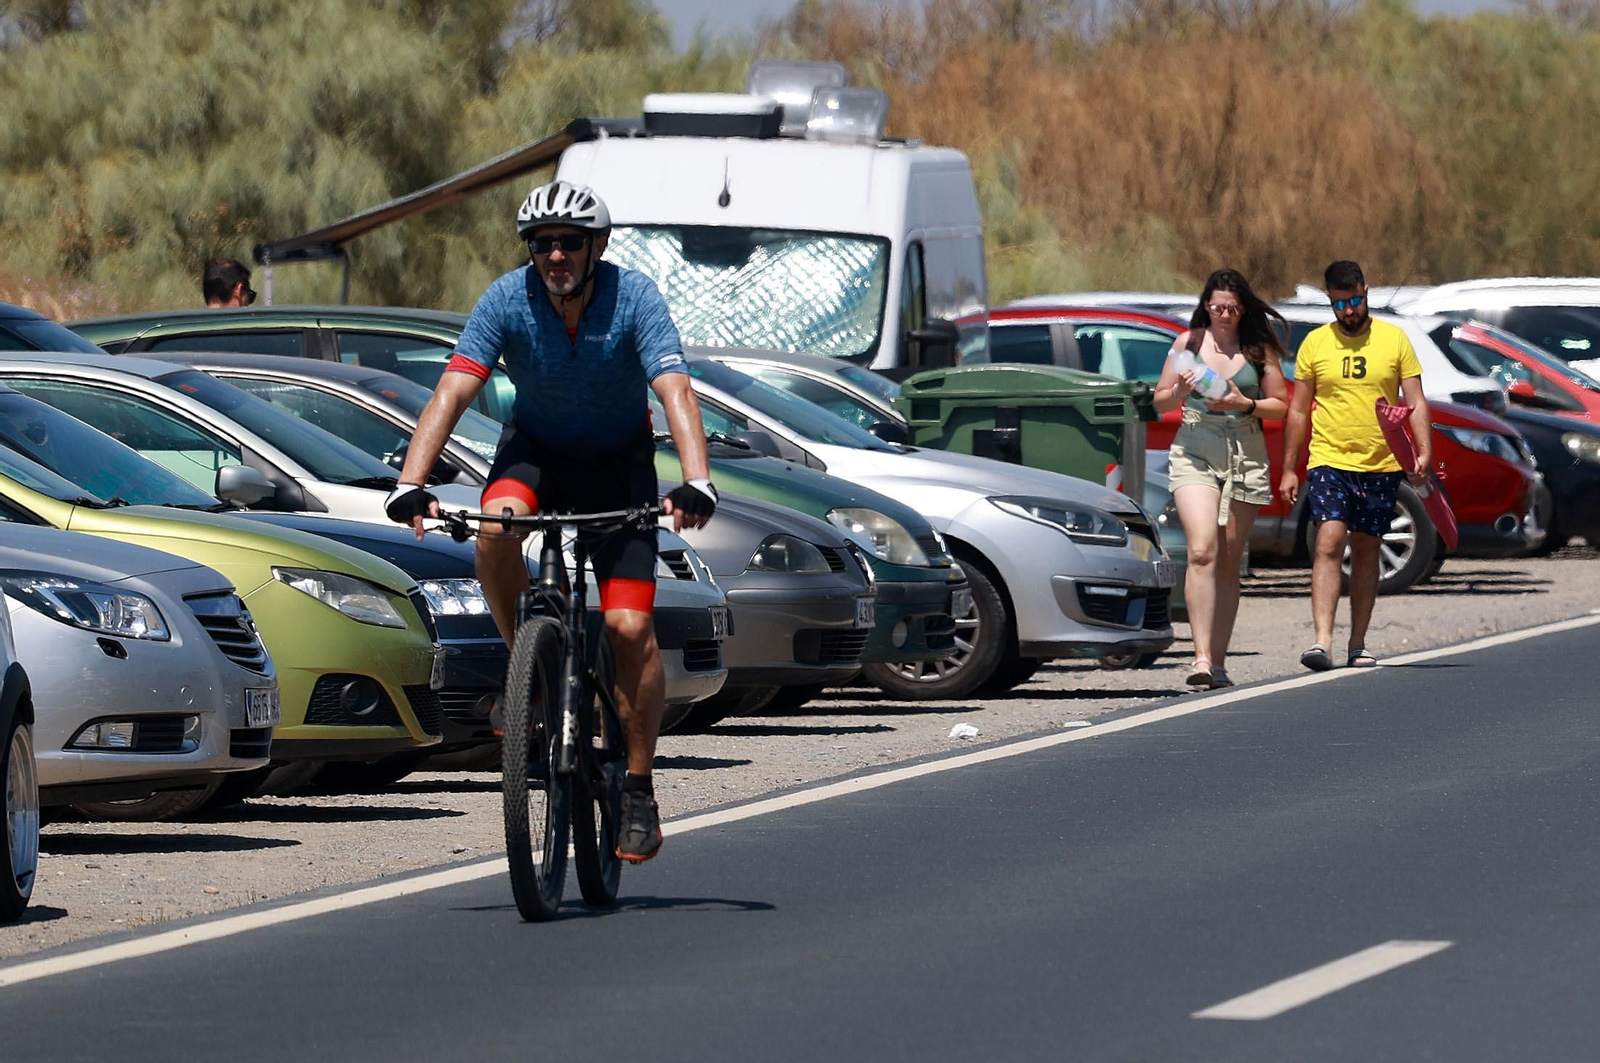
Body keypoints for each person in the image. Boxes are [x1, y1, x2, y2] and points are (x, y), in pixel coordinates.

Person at [384, 180, 716, 863]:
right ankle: (524, 670)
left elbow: (675, 387)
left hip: (620, 463)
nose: (555, 255)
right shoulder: (508, 298)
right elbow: (454, 386)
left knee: (628, 627)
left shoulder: (636, 298)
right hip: (535, 455)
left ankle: (638, 786)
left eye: (568, 242)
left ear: (597, 245)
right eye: (543, 244)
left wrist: (697, 479)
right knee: (495, 529)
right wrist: (411, 483)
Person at [1279, 260, 1430, 671]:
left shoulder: (1394, 339)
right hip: (1329, 458)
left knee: (1366, 548)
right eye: (1340, 303)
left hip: (1381, 463)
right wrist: (1290, 467)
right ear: (1329, 299)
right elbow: (1297, 410)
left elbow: (1414, 400)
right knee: (1328, 541)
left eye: (1355, 300)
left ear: (1367, 292)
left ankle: (1358, 642)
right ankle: (1321, 642)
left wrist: (1422, 451)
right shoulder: (1315, 344)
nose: (1349, 310)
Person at [1152, 269, 1290, 689]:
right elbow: (1158, 401)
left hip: (1244, 450)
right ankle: (1200, 657)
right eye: (1217, 306)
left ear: (1242, 307)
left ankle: (1220, 660)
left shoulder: (1258, 349)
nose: (1224, 314)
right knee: (1201, 551)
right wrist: (1179, 391)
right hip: (1195, 446)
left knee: (1229, 559)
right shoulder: (1187, 344)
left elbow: (1281, 406)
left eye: (1231, 307)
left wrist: (1243, 401)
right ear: (1206, 305)